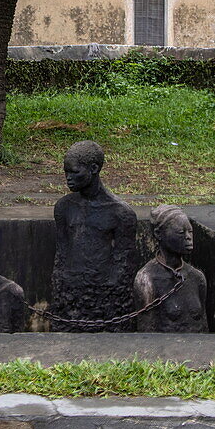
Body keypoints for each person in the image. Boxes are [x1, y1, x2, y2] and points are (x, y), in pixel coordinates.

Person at [50, 140, 138, 332]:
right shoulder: (63, 207)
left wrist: (106, 297)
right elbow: (61, 256)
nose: (68, 178)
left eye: (74, 172)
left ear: (94, 168)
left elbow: (123, 264)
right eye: (66, 172)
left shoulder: (120, 213)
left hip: (105, 297)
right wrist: (63, 292)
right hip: (71, 295)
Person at [133, 205, 208, 332]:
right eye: (181, 232)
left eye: (190, 231)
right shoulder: (147, 280)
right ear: (158, 234)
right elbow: (146, 333)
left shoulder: (197, 277)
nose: (188, 237)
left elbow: (204, 325)